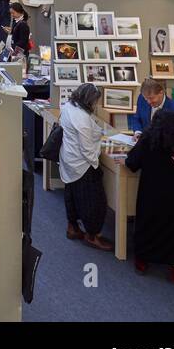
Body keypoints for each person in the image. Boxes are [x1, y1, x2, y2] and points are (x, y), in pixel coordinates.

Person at [124, 110, 174, 282]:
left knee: (147, 227)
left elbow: (131, 163)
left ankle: (142, 260)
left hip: (151, 197)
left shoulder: (147, 143)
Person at [60, 83, 111, 251]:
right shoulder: (81, 119)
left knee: (72, 193)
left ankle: (72, 227)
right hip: (82, 164)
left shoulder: (68, 106)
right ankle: (92, 235)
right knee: (95, 201)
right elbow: (87, 150)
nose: (96, 105)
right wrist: (96, 165)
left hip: (68, 158)